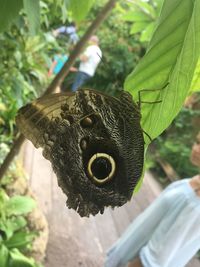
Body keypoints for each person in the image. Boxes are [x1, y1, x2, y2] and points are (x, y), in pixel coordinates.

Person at [104, 143, 200, 267]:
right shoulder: (194, 183)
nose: (196, 148)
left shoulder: (195, 204)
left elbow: (155, 259)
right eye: (198, 141)